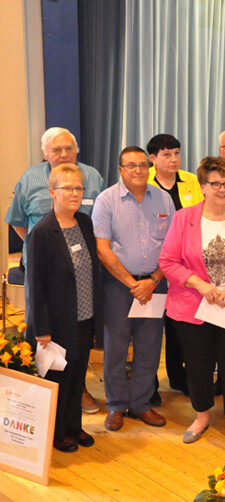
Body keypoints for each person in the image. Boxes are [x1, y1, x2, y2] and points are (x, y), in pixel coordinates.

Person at [158, 156, 225, 452]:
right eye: (214, 183)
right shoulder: (184, 218)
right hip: (193, 306)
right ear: (202, 186)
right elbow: (167, 261)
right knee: (197, 365)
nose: (221, 188)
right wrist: (199, 284)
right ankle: (202, 414)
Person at [5, 127, 106, 414]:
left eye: (68, 149)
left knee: (76, 354)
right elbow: (17, 220)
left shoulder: (92, 179)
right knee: (53, 361)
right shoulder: (31, 184)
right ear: (45, 153)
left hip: (83, 289)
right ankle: (51, 421)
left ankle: (76, 409)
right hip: (49, 277)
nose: (63, 154)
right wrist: (50, 251)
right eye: (56, 149)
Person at [92, 146, 175, 431]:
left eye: (142, 165)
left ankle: (140, 404)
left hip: (156, 285)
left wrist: (152, 281)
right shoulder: (106, 201)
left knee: (150, 347)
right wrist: (133, 284)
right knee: (116, 347)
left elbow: (172, 248)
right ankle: (115, 405)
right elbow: (102, 249)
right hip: (118, 287)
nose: (138, 170)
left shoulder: (163, 200)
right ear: (120, 169)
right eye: (131, 166)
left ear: (149, 167)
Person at [27, 164, 100, 452]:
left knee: (78, 376)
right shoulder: (42, 232)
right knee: (59, 379)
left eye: (78, 188)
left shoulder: (84, 222)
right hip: (56, 323)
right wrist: (42, 329)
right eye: (67, 188)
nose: (74, 193)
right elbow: (36, 284)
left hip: (84, 316)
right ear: (52, 192)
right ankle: (57, 433)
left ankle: (74, 426)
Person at [147, 133, 204, 399]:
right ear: (153, 159)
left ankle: (178, 377)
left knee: (178, 323)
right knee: (150, 324)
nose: (173, 159)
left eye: (177, 153)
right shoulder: (143, 181)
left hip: (186, 265)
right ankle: (148, 385)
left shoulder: (190, 180)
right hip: (154, 264)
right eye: (167, 154)